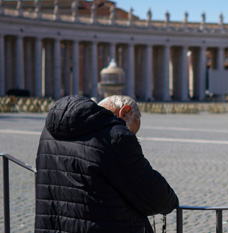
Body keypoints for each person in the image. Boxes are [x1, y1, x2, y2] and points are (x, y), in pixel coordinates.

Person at [35, 95, 178, 233]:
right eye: (133, 132)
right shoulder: (116, 136)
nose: (132, 137)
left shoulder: (49, 131)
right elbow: (154, 196)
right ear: (125, 112)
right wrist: (171, 202)